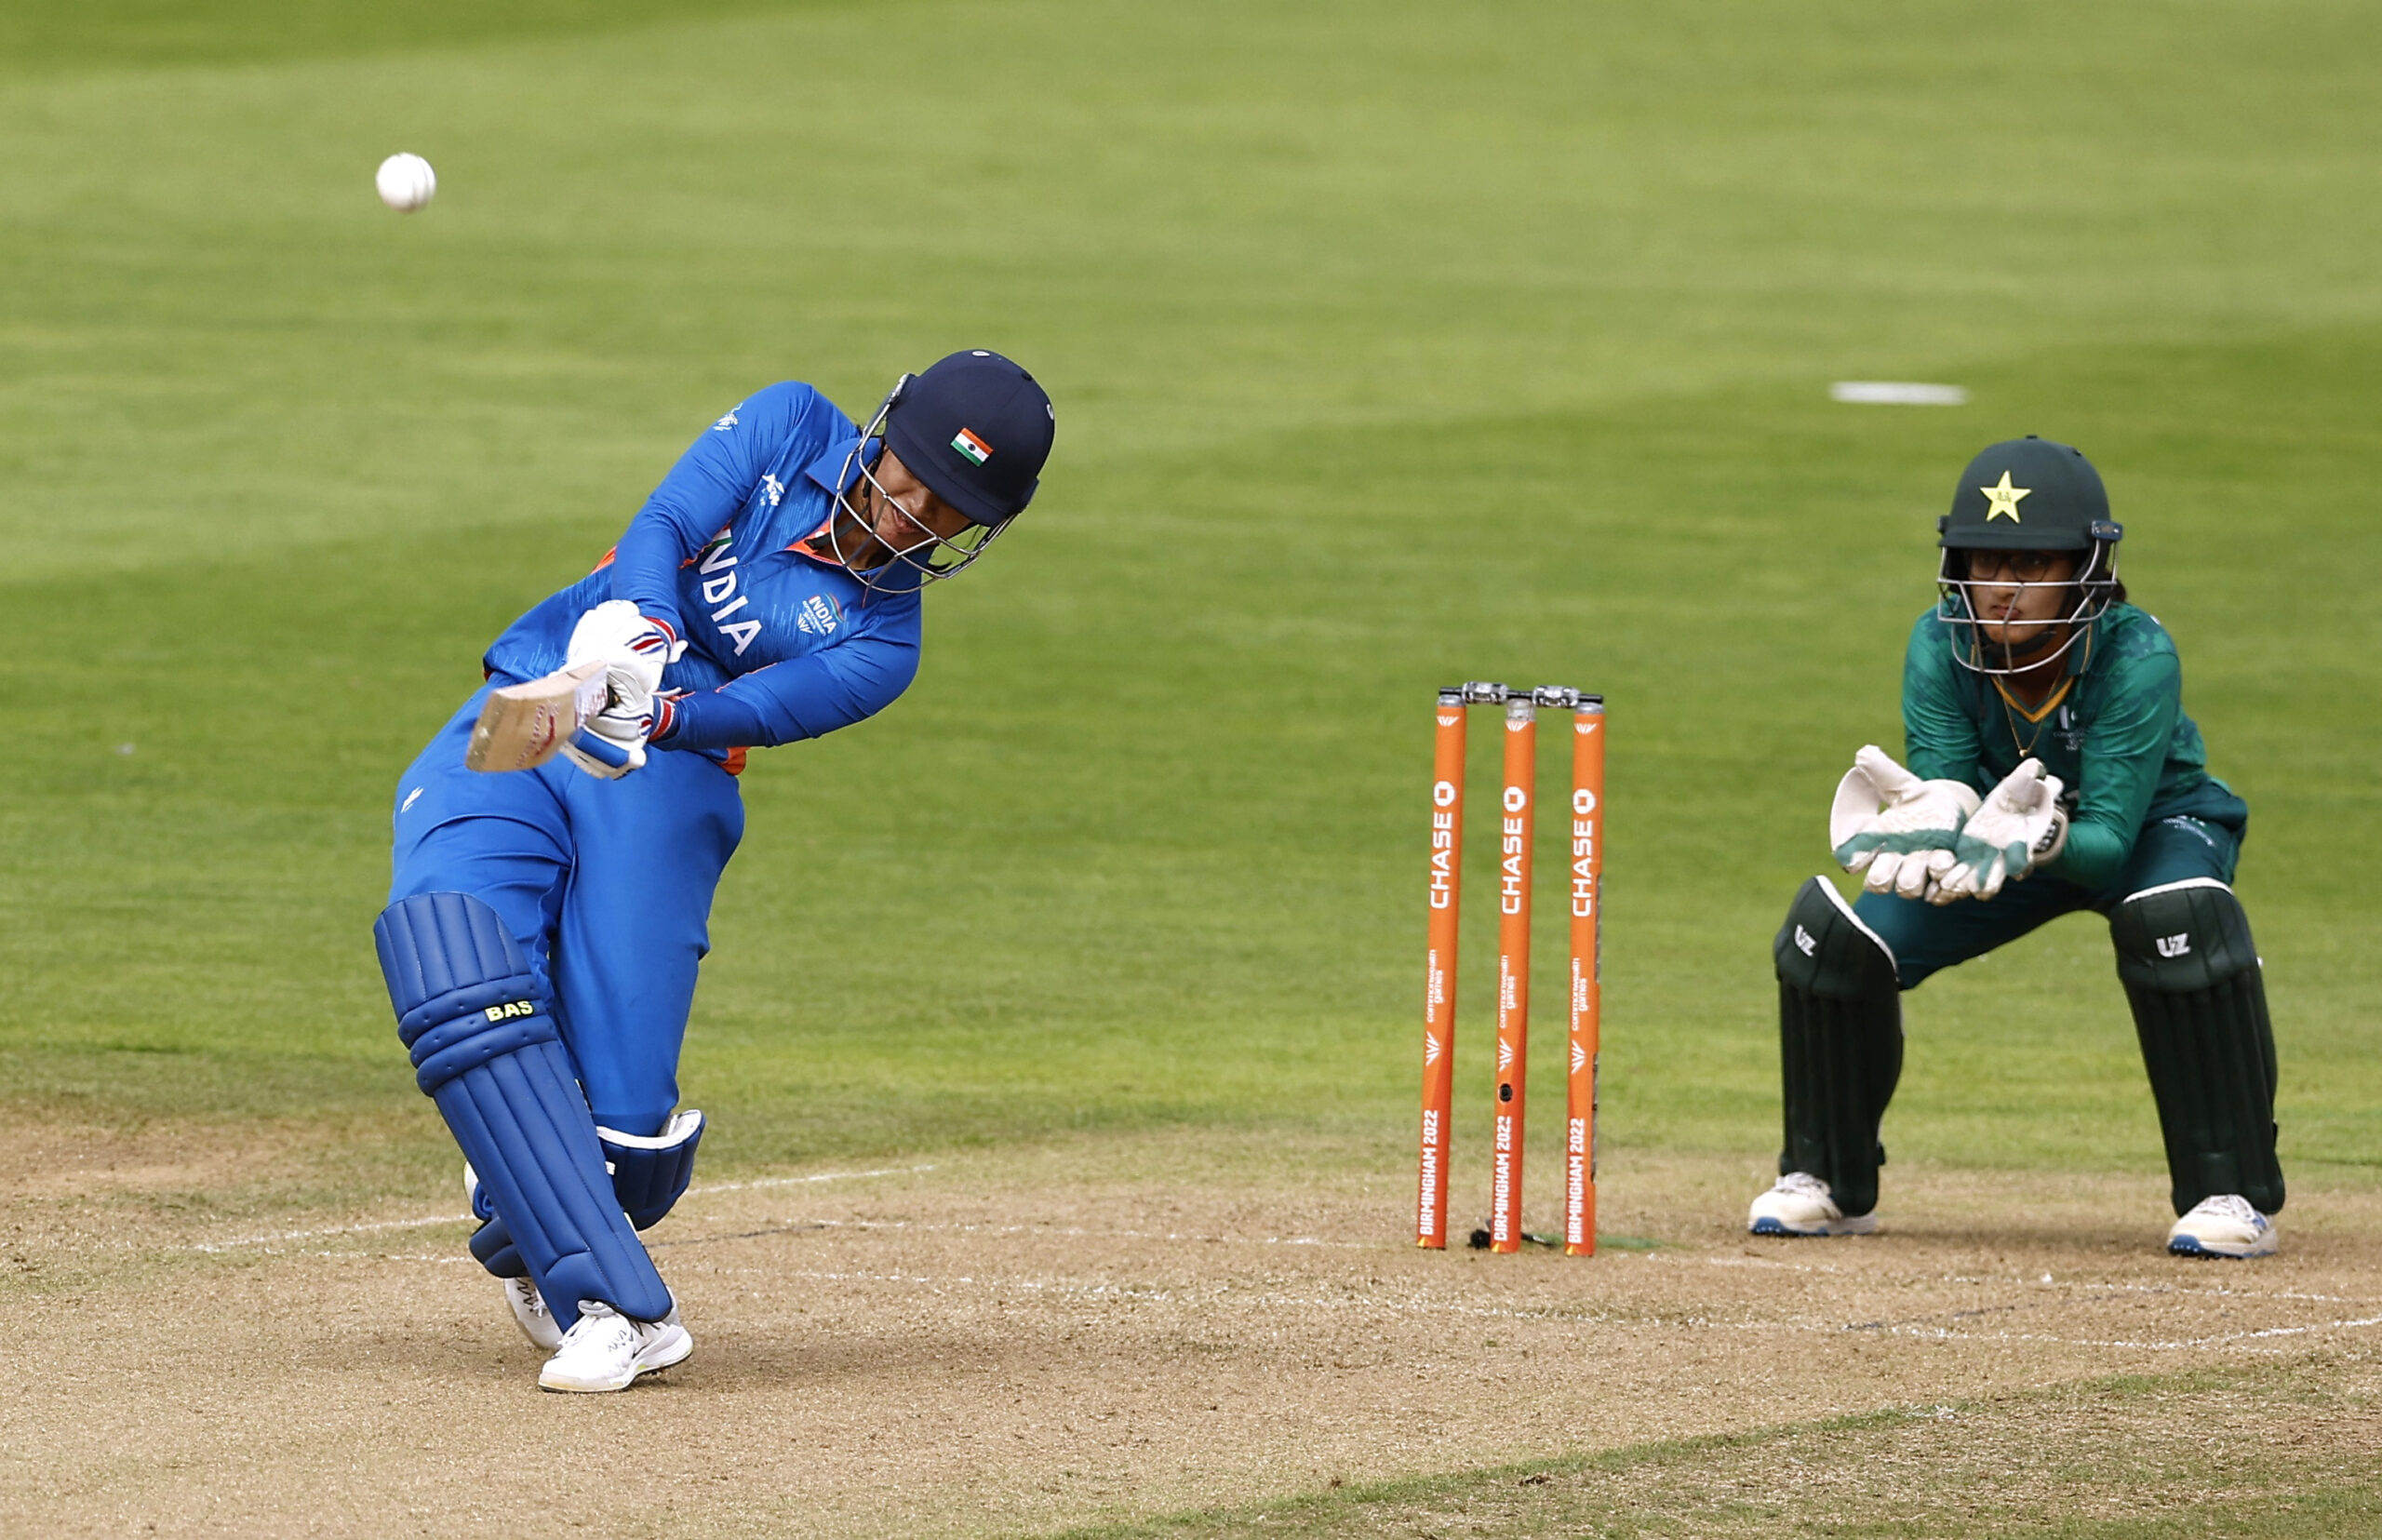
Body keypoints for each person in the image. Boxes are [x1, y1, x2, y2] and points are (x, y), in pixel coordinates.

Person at [370, 351, 1055, 1391]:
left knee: (621, 1136)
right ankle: (618, 1307)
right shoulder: (788, 424)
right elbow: (665, 523)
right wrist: (637, 628)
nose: (911, 510)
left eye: (948, 509)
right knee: (450, 944)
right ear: (884, 428)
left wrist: (659, 706)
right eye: (909, 473)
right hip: (544, 701)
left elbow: (757, 712)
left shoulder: (883, 643)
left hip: (663, 780)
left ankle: (551, 1230)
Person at [1749, 436, 2282, 1258]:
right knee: (1836, 948)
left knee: (2177, 924)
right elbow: (1948, 780)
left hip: (2144, 828)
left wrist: (2044, 836)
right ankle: (1826, 1178)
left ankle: (2231, 1193)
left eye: (2033, 565)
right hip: (1995, 837)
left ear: (2088, 570)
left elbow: (2104, 843)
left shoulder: (2138, 654)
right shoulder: (1937, 642)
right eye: (1986, 562)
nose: (2003, 589)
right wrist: (1940, 811)